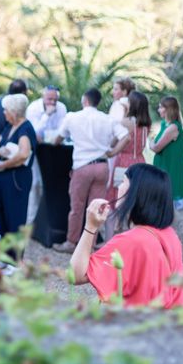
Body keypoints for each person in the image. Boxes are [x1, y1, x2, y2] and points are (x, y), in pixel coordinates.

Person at [69, 164, 183, 308]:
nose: (118, 188)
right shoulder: (170, 235)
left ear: (136, 192)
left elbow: (76, 274)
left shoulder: (131, 241)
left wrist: (90, 227)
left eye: (123, 182)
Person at [53, 88, 129, 253]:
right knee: (97, 208)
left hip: (82, 167)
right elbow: (126, 136)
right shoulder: (107, 119)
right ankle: (90, 243)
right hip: (102, 166)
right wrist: (113, 152)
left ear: (84, 100)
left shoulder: (72, 117)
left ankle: (71, 242)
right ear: (98, 102)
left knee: (77, 207)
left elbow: (57, 139)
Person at [0, 94, 37, 239]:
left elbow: (23, 154)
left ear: (14, 112)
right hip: (3, 180)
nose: (4, 113)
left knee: (14, 219)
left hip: (17, 180)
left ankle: (13, 258)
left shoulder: (25, 128)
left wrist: (4, 164)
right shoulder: (9, 127)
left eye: (6, 110)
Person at [25, 85, 68, 224]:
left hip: (54, 149)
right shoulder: (33, 108)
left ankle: (48, 219)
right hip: (36, 150)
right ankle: (31, 220)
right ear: (43, 97)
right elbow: (33, 132)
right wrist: (47, 116)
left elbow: (62, 129)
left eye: (55, 99)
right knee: (35, 184)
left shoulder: (61, 108)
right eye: (50, 99)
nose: (53, 102)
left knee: (52, 183)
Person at [105, 90, 151, 205]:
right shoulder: (147, 124)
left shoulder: (125, 122)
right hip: (140, 160)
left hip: (124, 161)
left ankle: (119, 222)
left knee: (120, 195)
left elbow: (113, 142)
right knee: (136, 195)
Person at [0, 79, 28, 176]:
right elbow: (24, 154)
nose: (5, 113)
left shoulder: (0, 101)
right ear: (23, 93)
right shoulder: (10, 107)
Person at [150, 96, 183, 202]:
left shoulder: (173, 127)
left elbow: (156, 148)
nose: (158, 110)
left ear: (168, 109)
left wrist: (151, 141)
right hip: (161, 165)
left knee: (167, 201)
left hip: (169, 168)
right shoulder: (164, 125)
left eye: (161, 107)